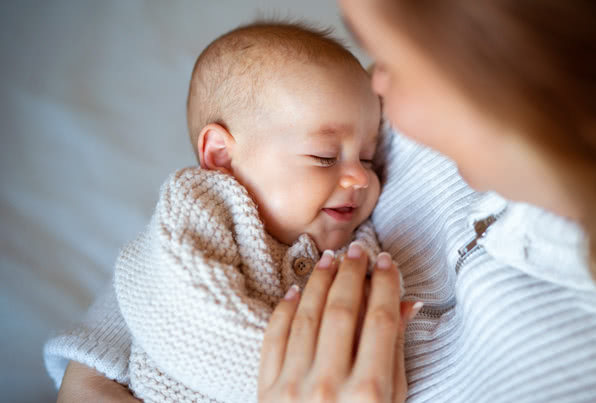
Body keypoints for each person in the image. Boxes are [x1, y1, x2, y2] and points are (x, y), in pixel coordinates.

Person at [47, 0, 596, 402]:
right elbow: (176, 254)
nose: (377, 87)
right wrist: (91, 367)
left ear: (514, 82)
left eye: (389, 54)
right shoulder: (384, 135)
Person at [46, 21, 411, 403]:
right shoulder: (200, 214)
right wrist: (341, 363)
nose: (358, 178)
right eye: (324, 157)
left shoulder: (360, 243)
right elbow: (190, 320)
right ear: (221, 157)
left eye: (368, 159)